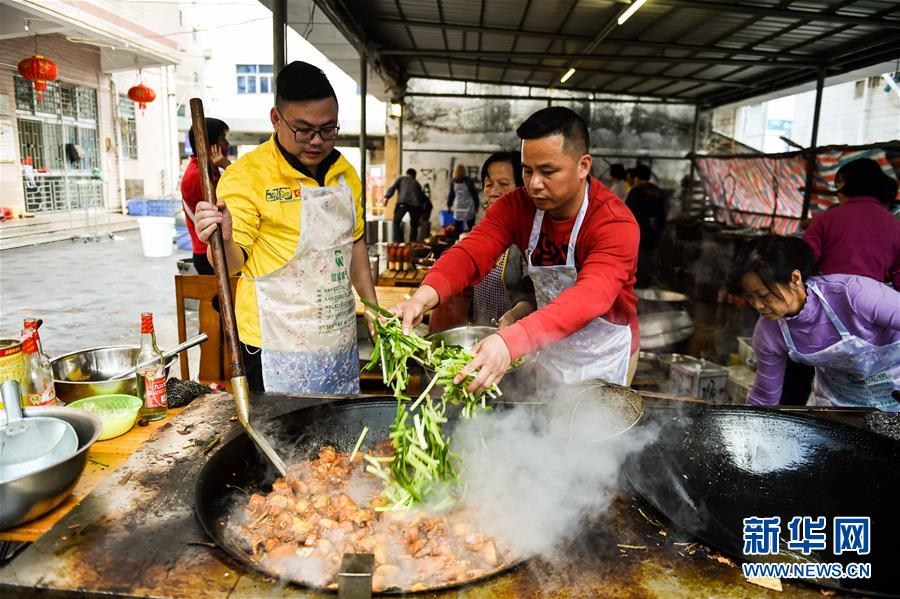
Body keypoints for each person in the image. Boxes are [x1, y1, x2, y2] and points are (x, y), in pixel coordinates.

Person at [391, 107, 640, 393]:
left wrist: (511, 341)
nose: (534, 184)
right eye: (527, 170)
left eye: (548, 171)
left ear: (583, 166)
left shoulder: (614, 223)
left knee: (593, 435)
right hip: (548, 345)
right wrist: (423, 297)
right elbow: (471, 252)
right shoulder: (516, 207)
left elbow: (590, 295)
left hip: (603, 355)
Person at [194, 61, 377, 394]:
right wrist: (223, 238)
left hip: (335, 334)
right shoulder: (247, 176)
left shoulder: (345, 172)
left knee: (338, 434)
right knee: (282, 441)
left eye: (328, 129)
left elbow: (356, 246)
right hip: (274, 345)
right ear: (276, 119)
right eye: (304, 130)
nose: (317, 141)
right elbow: (232, 263)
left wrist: (374, 308)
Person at [734, 236, 899, 411]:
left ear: (795, 279)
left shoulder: (854, 294)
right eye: (750, 297)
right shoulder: (769, 333)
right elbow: (764, 396)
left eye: (764, 294)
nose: (758, 305)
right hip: (842, 407)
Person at [803, 158, 900, 288]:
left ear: (846, 185)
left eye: (839, 183)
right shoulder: (895, 224)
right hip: (870, 299)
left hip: (827, 294)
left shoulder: (826, 218)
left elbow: (804, 258)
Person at [472, 151, 535, 327]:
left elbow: (534, 296)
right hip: (479, 330)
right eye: (488, 184)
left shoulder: (529, 236)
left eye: (503, 184)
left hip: (513, 336)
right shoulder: (482, 228)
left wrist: (513, 316)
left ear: (521, 187)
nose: (494, 191)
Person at [181, 118, 230, 275]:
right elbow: (235, 201)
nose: (227, 144)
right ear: (210, 145)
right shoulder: (199, 176)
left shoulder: (207, 170)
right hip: (209, 253)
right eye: (223, 139)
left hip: (213, 251)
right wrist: (227, 166)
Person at [624, 163, 666, 287]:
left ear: (635, 177)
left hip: (638, 234)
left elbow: (627, 214)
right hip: (654, 234)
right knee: (650, 263)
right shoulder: (657, 191)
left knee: (638, 265)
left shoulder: (635, 191)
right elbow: (662, 215)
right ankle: (647, 285)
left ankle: (639, 289)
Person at [385, 168, 426, 242]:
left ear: (407, 173)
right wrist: (421, 214)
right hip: (415, 206)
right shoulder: (417, 184)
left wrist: (387, 197)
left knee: (396, 222)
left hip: (402, 203)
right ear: (414, 176)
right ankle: (412, 243)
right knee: (414, 225)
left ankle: (397, 242)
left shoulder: (401, 178)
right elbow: (421, 199)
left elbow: (393, 187)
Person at [446, 164, 479, 234]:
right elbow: (475, 195)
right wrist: (476, 206)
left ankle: (458, 240)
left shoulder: (466, 181)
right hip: (465, 206)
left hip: (463, 206)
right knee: (470, 226)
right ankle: (465, 240)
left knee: (459, 227)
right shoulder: (467, 181)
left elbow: (451, 194)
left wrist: (449, 205)